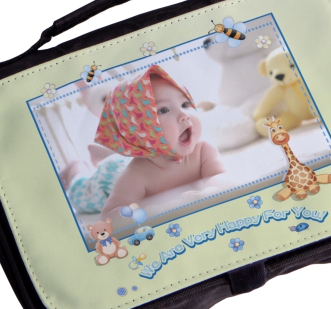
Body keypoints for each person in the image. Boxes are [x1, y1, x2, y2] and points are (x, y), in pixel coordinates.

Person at [62, 64, 225, 217]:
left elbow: (219, 176)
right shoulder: (136, 175)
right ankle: (75, 168)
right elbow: (109, 214)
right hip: (109, 178)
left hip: (128, 158)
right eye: (164, 110)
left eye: (185, 104)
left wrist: (209, 192)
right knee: (82, 193)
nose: (185, 115)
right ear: (139, 129)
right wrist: (153, 212)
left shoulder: (203, 151)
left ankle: (103, 154)